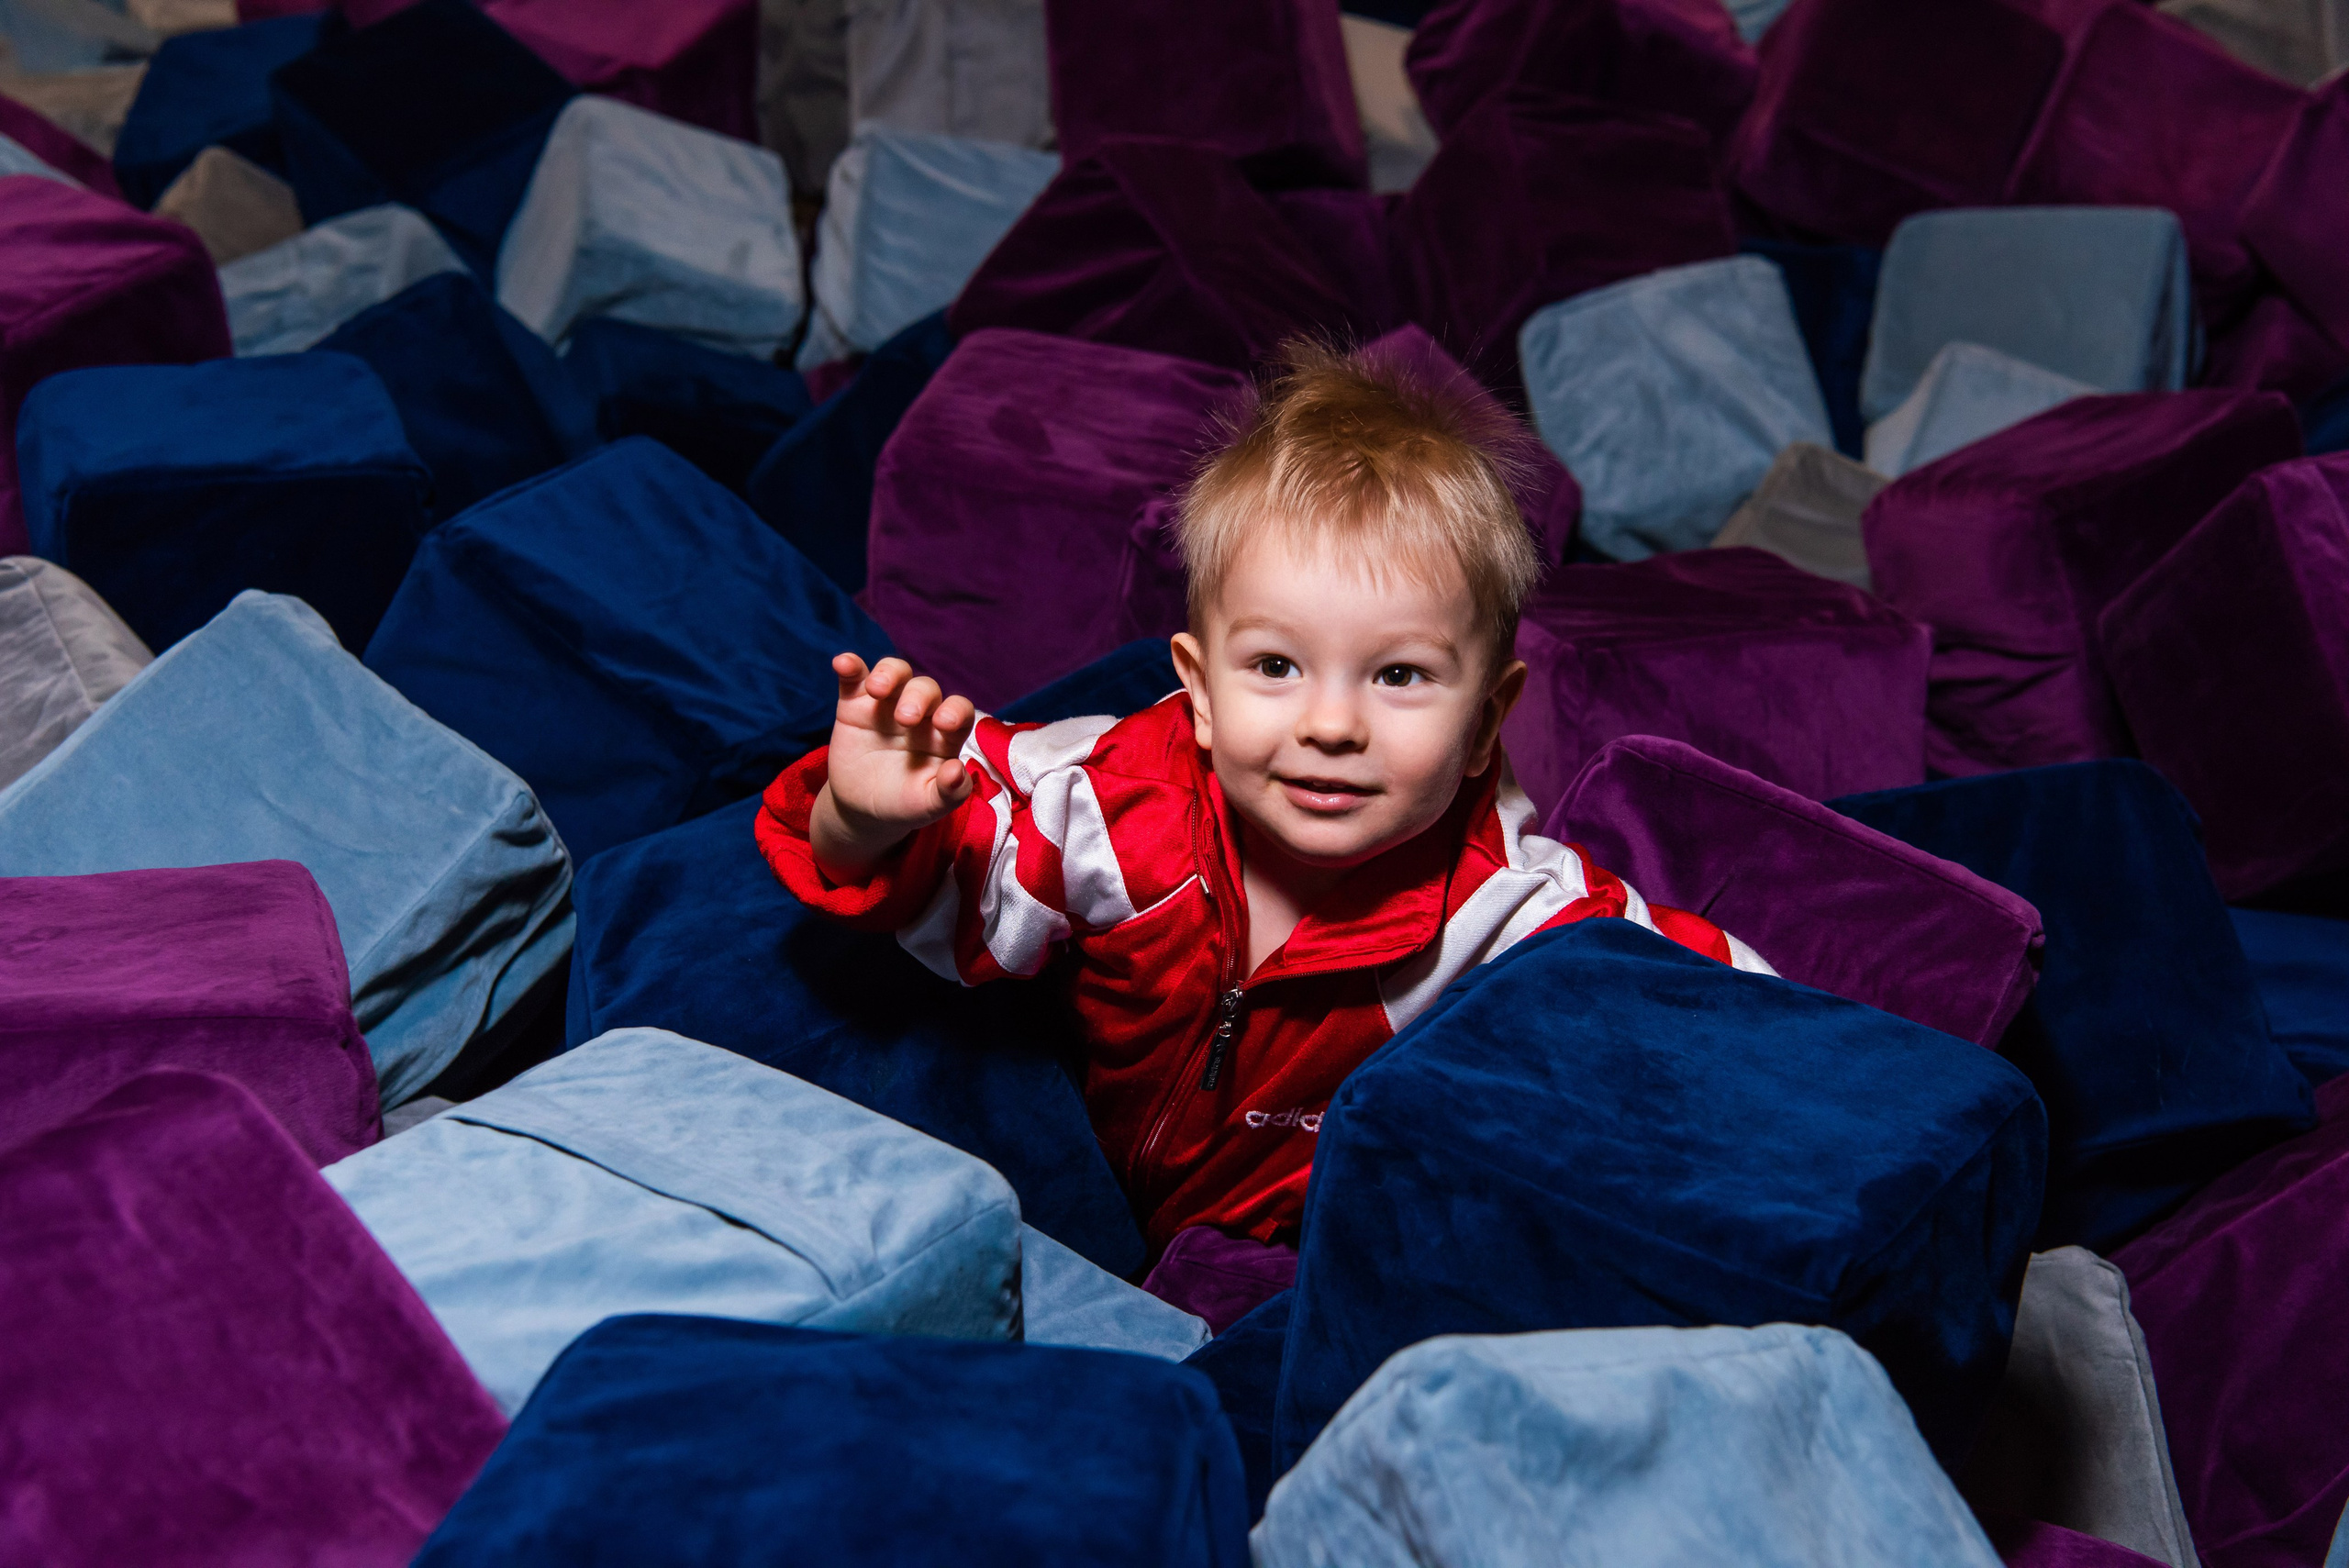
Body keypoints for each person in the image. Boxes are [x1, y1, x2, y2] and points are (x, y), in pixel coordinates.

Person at [756, 339, 1771, 1259]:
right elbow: (949, 875)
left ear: (1486, 721)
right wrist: (868, 816)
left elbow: (1729, 1005)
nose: (1330, 723)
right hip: (1067, 1184)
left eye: (1401, 675)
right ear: (1197, 690)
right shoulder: (1111, 799)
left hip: (1273, 1255)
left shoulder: (1509, 912)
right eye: (1277, 664)